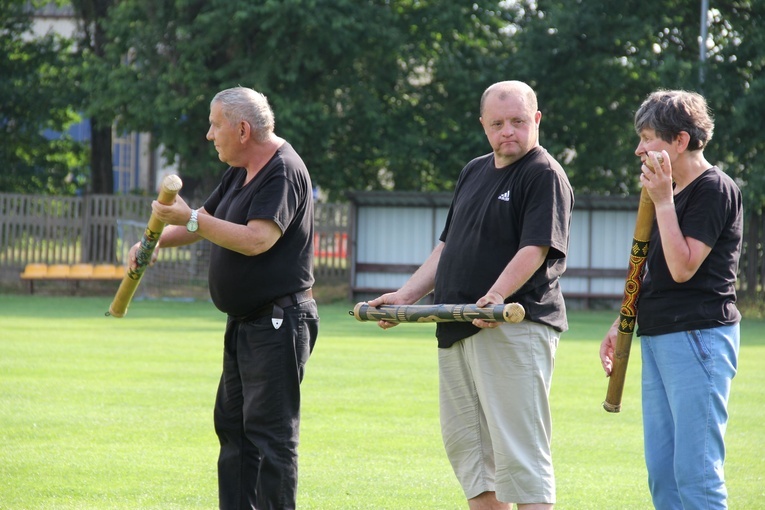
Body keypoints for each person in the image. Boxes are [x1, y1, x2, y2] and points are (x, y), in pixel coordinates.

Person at [369, 80, 574, 510]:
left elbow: (535, 248)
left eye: (518, 121)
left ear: (536, 120)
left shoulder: (544, 173)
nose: (508, 132)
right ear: (483, 125)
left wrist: (497, 296)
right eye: (498, 123)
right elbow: (448, 247)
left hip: (513, 327)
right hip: (457, 328)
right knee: (474, 462)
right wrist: (406, 296)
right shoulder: (474, 170)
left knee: (521, 460)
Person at [129, 86, 319, 510]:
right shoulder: (239, 169)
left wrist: (191, 217)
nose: (209, 135)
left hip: (278, 322)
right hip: (245, 323)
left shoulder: (282, 171)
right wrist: (159, 243)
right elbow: (204, 222)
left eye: (216, 125)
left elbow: (256, 240)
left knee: (271, 439)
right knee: (233, 431)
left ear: (243, 129)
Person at [600, 90, 742, 509]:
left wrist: (663, 200)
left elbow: (683, 268)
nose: (638, 148)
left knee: (696, 477)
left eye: (647, 137)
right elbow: (657, 274)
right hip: (660, 336)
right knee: (664, 477)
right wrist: (620, 322)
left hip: (699, 337)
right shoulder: (672, 192)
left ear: (680, 140)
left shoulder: (714, 189)